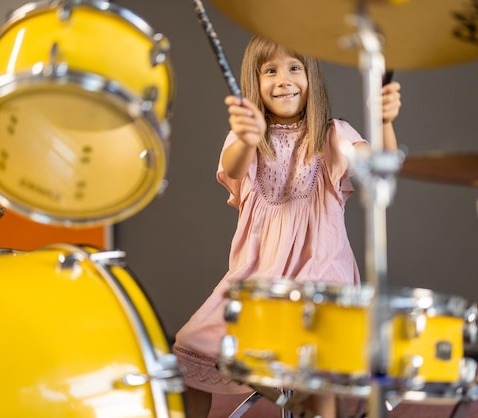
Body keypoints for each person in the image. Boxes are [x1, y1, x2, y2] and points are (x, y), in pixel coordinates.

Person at [173, 35, 401, 418]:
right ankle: (283, 392)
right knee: (189, 351)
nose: (284, 79)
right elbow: (232, 167)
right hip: (255, 286)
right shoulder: (244, 142)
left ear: (311, 76)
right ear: (255, 83)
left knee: (315, 378)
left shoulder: (333, 135)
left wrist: (383, 124)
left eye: (295, 68)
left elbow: (379, 166)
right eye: (271, 70)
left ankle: (304, 398)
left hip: (319, 283)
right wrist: (248, 136)